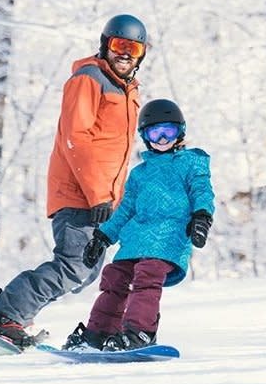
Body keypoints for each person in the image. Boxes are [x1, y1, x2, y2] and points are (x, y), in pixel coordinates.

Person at [0, 14, 149, 349]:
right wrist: (99, 194)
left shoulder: (128, 90)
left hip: (102, 201)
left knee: (84, 273)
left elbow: (115, 155)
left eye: (133, 48)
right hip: (80, 195)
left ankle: (13, 315)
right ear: (105, 45)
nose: (125, 54)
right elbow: (77, 139)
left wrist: (121, 201)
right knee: (73, 267)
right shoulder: (90, 79)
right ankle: (4, 314)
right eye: (119, 45)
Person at [61, 98, 215, 352]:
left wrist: (202, 216)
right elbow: (125, 210)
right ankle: (99, 333)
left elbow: (202, 191)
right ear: (145, 136)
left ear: (181, 133)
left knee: (147, 275)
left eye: (169, 132)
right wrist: (103, 236)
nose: (163, 139)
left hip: (170, 235)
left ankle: (139, 332)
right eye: (156, 133)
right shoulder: (139, 173)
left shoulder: (192, 162)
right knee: (114, 277)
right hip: (135, 238)